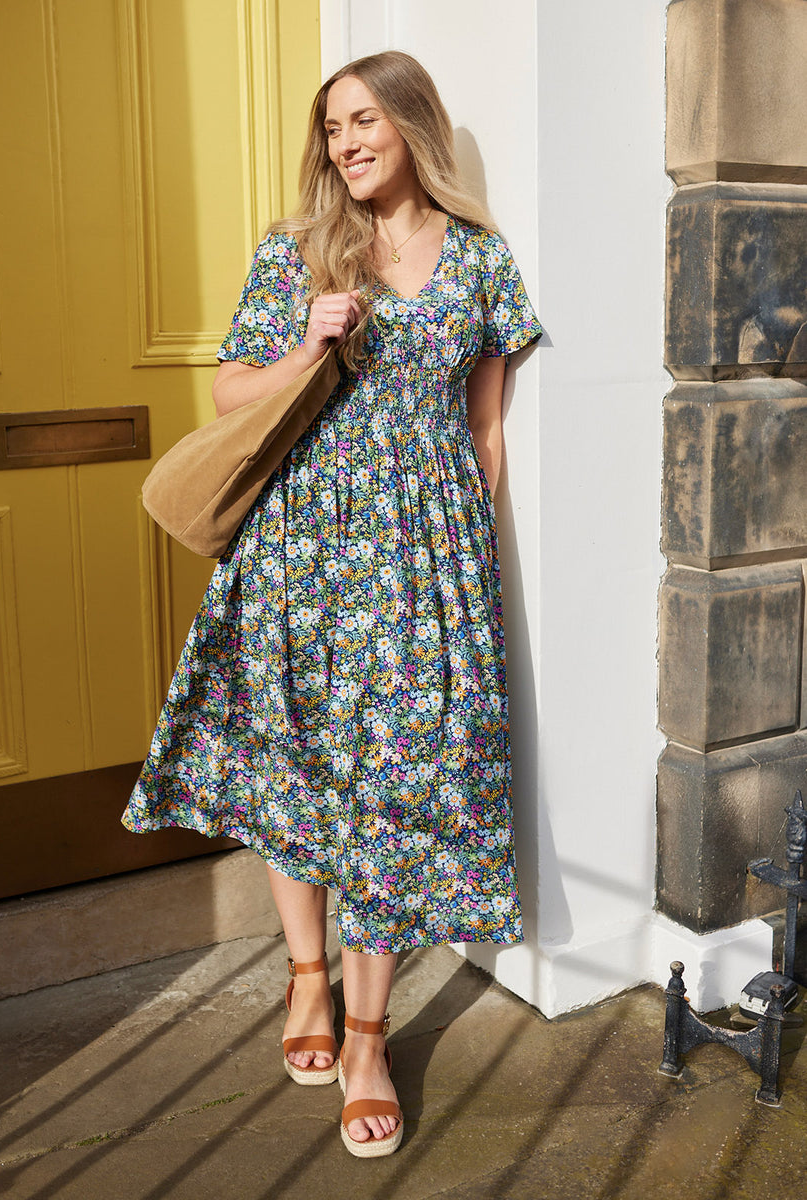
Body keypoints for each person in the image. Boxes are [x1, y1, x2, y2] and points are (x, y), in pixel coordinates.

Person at [122, 49, 541, 1158]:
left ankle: (367, 1038)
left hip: (424, 560)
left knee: (398, 788)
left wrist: (471, 570)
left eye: (364, 120)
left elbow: (486, 428)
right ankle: (307, 977)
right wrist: (311, 334)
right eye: (333, 128)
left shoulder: (484, 260)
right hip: (302, 546)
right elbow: (230, 394)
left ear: (412, 123)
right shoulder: (297, 251)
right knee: (301, 767)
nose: (346, 142)